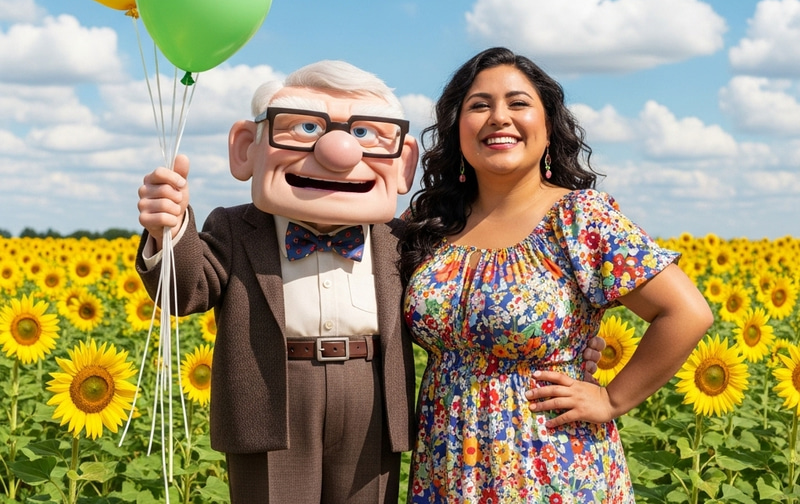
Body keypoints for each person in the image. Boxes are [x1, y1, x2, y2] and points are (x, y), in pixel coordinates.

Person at [136, 58, 604, 504]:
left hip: (372, 397)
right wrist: (170, 229)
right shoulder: (236, 228)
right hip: (271, 395)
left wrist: (574, 335)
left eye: (364, 134)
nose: (339, 151)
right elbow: (185, 291)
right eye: (305, 128)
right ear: (245, 148)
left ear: (402, 163)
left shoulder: (402, 241)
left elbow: (459, 303)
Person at [398, 47, 713, 504]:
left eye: (518, 103)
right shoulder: (429, 224)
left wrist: (611, 399)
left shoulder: (579, 217)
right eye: (479, 105)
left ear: (548, 129)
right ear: (456, 128)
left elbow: (686, 313)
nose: (498, 117)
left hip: (549, 460)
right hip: (447, 462)